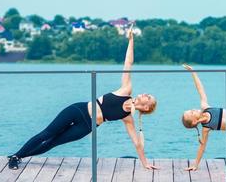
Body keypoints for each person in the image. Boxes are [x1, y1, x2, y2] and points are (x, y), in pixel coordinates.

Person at [8, 25, 158, 170]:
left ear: (146, 107)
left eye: (148, 97)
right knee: (47, 134)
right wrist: (131, 40)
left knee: (53, 143)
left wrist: (145, 163)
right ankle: (16, 156)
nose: (145, 94)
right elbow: (128, 63)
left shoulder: (127, 118)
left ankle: (18, 157)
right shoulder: (126, 90)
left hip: (86, 127)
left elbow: (137, 143)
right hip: (79, 110)